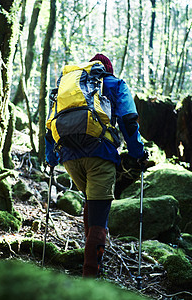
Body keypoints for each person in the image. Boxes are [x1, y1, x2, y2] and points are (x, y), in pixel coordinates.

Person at [45, 53, 148, 277]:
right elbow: (129, 120)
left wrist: (51, 158)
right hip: (99, 155)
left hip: (69, 157)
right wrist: (138, 153)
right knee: (99, 217)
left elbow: (50, 124)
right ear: (107, 69)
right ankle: (91, 276)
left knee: (91, 205)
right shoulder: (114, 84)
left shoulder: (70, 86)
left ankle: (89, 260)